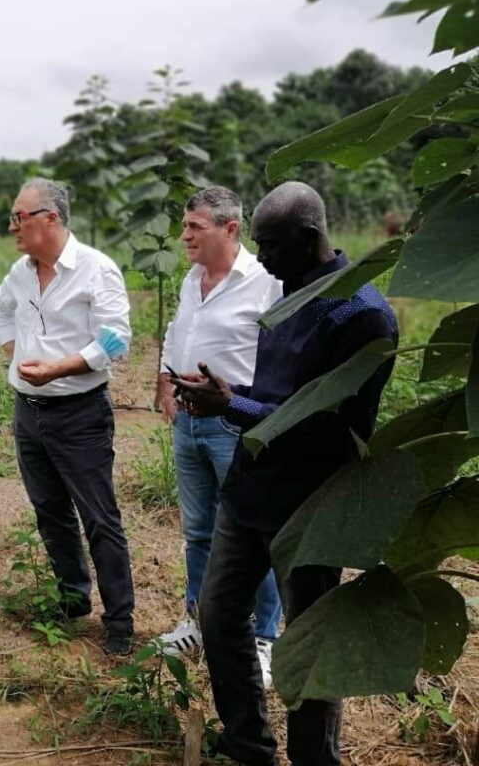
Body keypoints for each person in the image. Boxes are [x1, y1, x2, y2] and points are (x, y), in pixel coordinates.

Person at [173, 181, 398, 766]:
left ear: (307, 238)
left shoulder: (364, 318)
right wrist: (227, 395)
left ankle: (312, 759)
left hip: (311, 506)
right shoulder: (286, 294)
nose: (261, 256)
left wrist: (233, 406)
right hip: (248, 492)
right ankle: (251, 749)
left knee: (308, 647)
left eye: (269, 245)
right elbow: (276, 395)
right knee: (218, 618)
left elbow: (323, 422)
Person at [0, 178, 135, 655]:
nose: (12, 226)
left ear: (50, 219)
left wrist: (59, 368)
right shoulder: (20, 272)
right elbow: (0, 307)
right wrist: (16, 354)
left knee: (99, 517)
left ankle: (119, 621)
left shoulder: (95, 269)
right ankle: (73, 598)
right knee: (50, 512)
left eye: (19, 217)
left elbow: (116, 339)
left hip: (79, 412)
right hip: (28, 413)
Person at [156, 187, 283, 685]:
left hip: (236, 423)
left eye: (195, 227)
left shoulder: (265, 283)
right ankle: (199, 619)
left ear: (230, 230)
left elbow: (281, 351)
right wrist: (167, 377)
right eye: (184, 226)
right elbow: (177, 331)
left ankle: (263, 636)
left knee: (254, 533)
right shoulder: (192, 279)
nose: (184, 235)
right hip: (189, 422)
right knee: (200, 531)